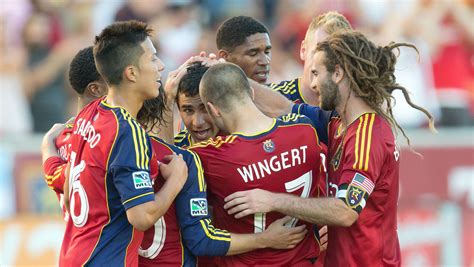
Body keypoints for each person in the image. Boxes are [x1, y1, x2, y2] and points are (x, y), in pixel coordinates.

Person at [224, 30, 435, 266]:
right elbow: (284, 109)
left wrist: (272, 200)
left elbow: (346, 210)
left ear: (337, 73)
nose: (312, 84)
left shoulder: (368, 136)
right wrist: (225, 73)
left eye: (316, 73)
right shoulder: (337, 122)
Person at [58, 20, 188, 266]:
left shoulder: (89, 113)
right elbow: (141, 216)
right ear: (131, 72)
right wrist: (176, 179)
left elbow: (67, 191)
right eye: (152, 59)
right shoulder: (128, 132)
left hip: (71, 257)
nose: (160, 66)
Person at [189, 63, 326, 266]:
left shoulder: (206, 156)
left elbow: (165, 157)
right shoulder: (305, 129)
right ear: (252, 93)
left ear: (212, 109)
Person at [41, 46, 107, 220]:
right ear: (96, 89)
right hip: (100, 241)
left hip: (73, 239)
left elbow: (56, 175)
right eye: (114, 79)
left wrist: (47, 143)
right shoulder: (103, 135)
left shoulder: (61, 137)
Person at [269, 11, 352, 106]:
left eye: (336, 55)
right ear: (303, 51)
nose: (325, 64)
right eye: (318, 52)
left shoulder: (354, 106)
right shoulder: (273, 99)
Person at [173, 62, 218, 147]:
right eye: (188, 110)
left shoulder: (239, 143)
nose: (198, 123)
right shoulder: (175, 147)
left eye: (205, 108)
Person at [216, 16, 272, 84]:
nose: (265, 62)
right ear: (224, 57)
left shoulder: (284, 92)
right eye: (253, 53)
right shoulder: (207, 92)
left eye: (267, 52)